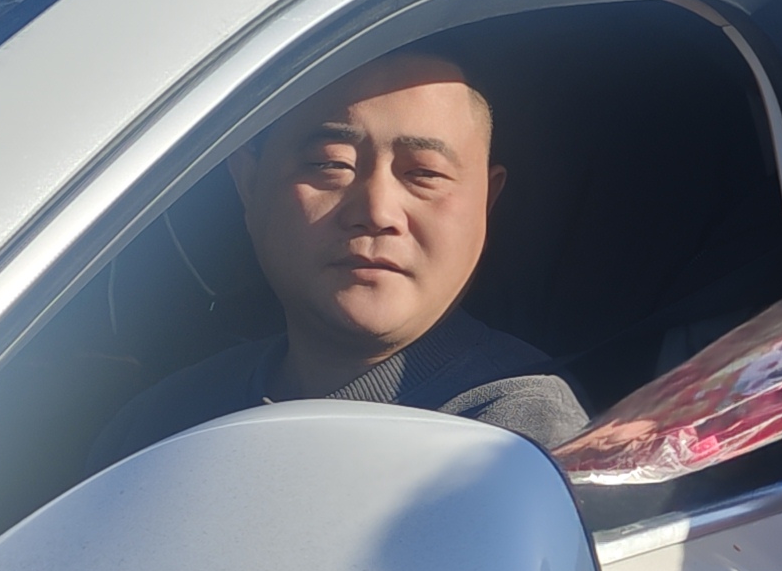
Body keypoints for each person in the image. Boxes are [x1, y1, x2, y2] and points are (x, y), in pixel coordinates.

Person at [92, 50, 586, 467]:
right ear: (248, 184)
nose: (376, 211)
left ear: (486, 201)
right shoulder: (164, 425)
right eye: (332, 164)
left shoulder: (518, 444)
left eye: (424, 174)